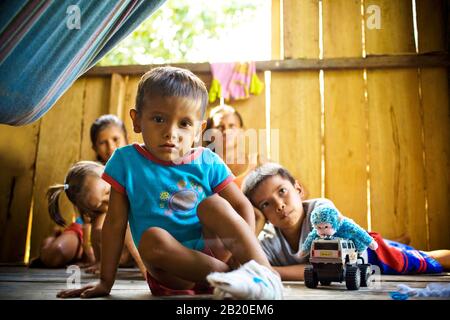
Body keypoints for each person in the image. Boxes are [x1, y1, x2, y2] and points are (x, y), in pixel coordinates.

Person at [57, 66, 283, 299]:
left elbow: (241, 207)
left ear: (199, 130)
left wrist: (241, 258)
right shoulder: (125, 162)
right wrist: (105, 282)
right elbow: (115, 224)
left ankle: (264, 275)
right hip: (170, 272)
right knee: (152, 238)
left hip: (213, 252)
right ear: (137, 121)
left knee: (213, 205)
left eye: (184, 123)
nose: (170, 133)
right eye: (158, 119)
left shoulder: (207, 160)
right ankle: (229, 277)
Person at [241, 162, 450, 281]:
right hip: (350, 272)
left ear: (298, 189)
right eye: (265, 204)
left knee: (428, 261)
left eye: (282, 191)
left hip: (370, 253)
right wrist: (254, 222)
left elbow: (327, 266)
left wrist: (275, 272)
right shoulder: (267, 239)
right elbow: (255, 268)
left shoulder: (320, 211)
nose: (279, 205)